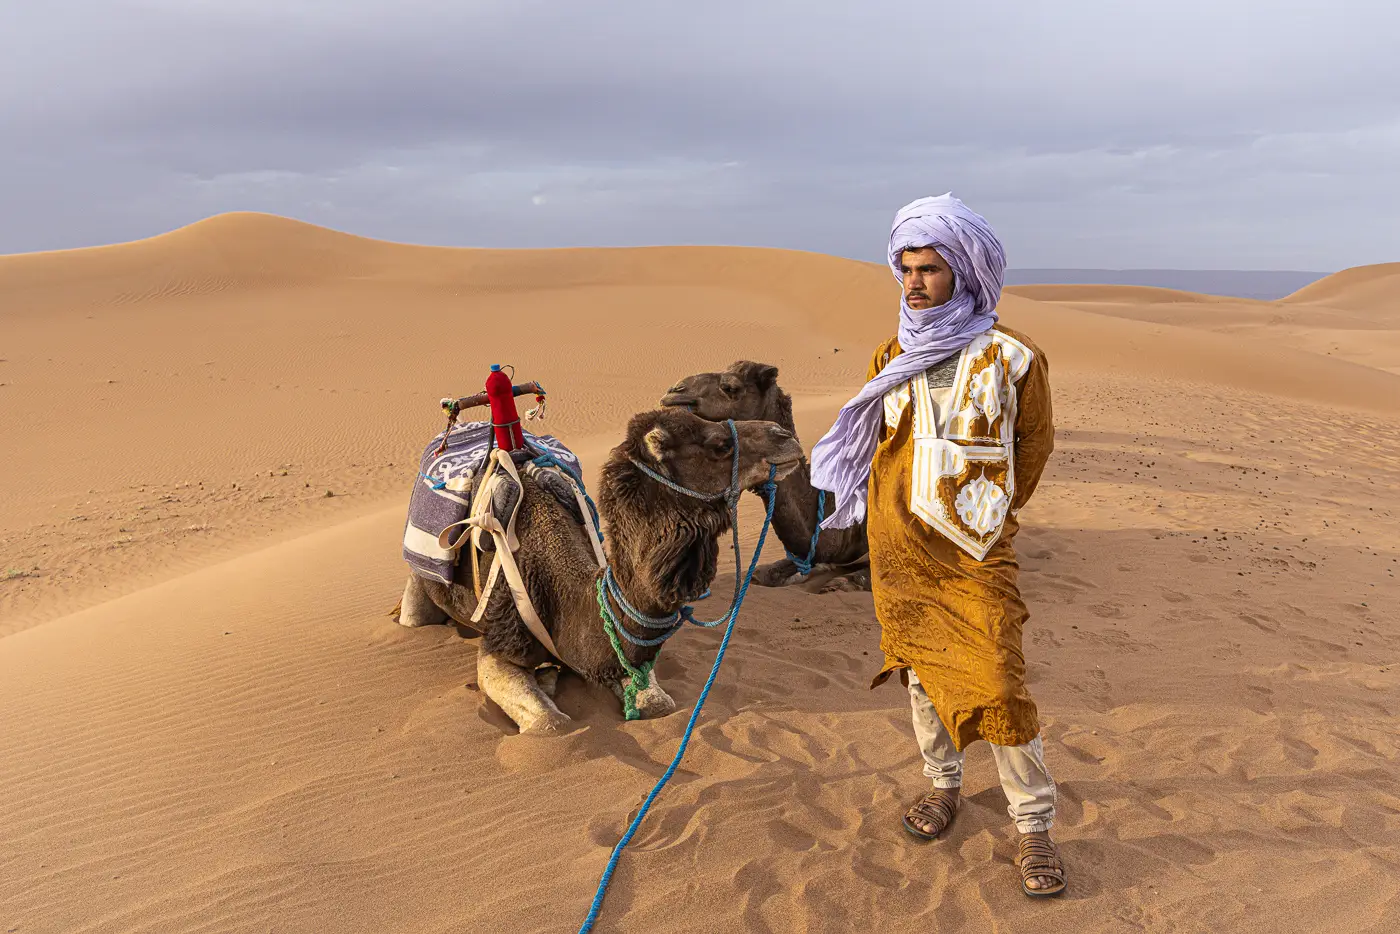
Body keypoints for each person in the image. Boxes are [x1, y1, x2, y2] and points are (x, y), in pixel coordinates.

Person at [809, 193, 1066, 897]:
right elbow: (880, 447)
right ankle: (944, 785)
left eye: (930, 268)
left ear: (965, 270)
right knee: (921, 674)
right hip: (899, 554)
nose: (915, 281)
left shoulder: (1013, 358)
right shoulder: (892, 354)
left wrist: (986, 512)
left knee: (1001, 683)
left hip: (975, 554)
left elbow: (1033, 447)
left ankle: (1033, 824)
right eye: (906, 268)